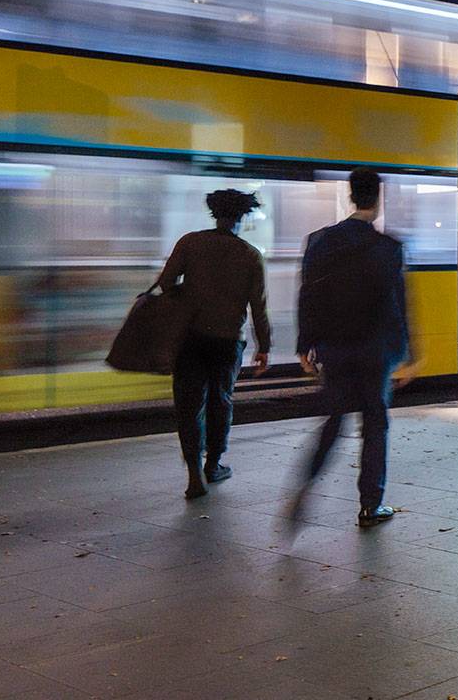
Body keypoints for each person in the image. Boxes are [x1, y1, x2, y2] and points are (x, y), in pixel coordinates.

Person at [291, 169, 412, 528]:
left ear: (350, 197)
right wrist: (406, 354)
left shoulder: (319, 241)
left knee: (333, 420)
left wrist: (306, 344)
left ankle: (308, 481)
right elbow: (399, 305)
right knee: (375, 424)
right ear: (376, 200)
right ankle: (370, 505)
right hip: (375, 352)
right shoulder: (389, 248)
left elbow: (308, 294)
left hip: (335, 348)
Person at [155, 189, 270, 499]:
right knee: (221, 400)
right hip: (228, 341)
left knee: (189, 405)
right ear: (242, 218)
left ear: (213, 213)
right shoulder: (249, 255)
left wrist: (191, 298)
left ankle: (194, 474)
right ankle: (214, 464)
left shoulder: (190, 242)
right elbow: (258, 307)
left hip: (190, 337)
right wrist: (264, 347)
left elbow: (165, 283)